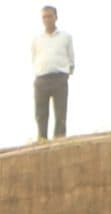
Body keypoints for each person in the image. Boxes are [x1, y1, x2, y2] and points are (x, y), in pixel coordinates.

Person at [32, 5, 76, 140]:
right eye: (44, 17)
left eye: (49, 16)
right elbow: (34, 57)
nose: (47, 20)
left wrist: (66, 74)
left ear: (56, 17)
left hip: (59, 78)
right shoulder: (37, 39)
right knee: (41, 114)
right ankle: (42, 140)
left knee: (60, 113)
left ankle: (59, 139)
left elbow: (71, 58)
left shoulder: (65, 37)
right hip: (41, 79)